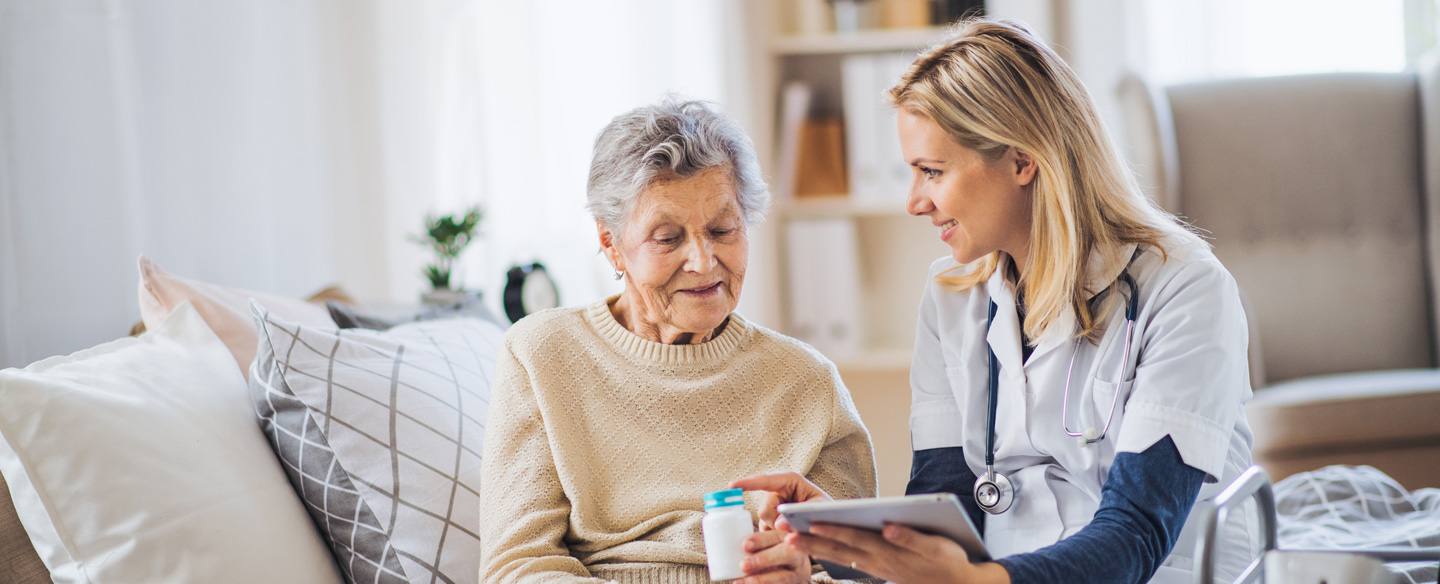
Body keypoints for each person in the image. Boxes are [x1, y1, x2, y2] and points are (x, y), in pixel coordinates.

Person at [732, 19, 1255, 584]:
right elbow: (943, 504)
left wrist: (979, 582)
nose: (914, 202)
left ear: (1021, 161)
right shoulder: (950, 298)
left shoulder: (1185, 288)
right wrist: (836, 542)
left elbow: (1136, 534)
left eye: (931, 172)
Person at [477, 98, 877, 584]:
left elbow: (864, 570)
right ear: (610, 242)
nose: (705, 261)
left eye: (723, 229)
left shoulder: (808, 382)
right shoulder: (541, 355)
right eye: (668, 238)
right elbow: (519, 567)